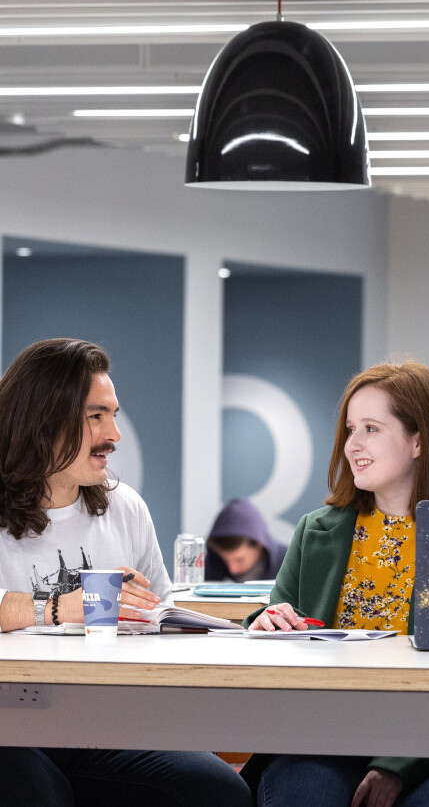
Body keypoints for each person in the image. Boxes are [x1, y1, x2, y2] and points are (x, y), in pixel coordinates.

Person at [242, 359, 429, 807]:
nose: (353, 445)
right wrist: (267, 620)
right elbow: (276, 618)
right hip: (325, 734)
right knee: (303, 793)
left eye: (371, 428)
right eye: (351, 429)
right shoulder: (316, 530)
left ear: (418, 441)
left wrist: (397, 764)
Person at [0, 338, 251, 807]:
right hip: (8, 725)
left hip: (105, 724)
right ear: (42, 419)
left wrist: (160, 621)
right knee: (37, 792)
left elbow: (164, 612)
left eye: (113, 414)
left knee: (220, 792)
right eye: (95, 416)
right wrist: (60, 608)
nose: (113, 433)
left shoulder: (125, 506)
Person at [205, 498, 287, 581]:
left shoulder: (293, 564)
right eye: (225, 561)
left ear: (260, 544)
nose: (233, 570)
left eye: (239, 560)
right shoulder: (213, 563)